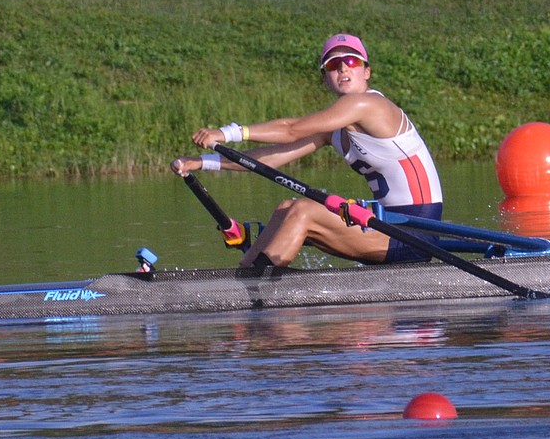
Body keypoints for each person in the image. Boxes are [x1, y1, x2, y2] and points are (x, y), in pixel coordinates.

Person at [171, 33, 443, 268]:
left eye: (351, 62)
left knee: (304, 210)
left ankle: (258, 285)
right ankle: (247, 273)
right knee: (285, 208)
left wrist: (229, 133)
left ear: (367, 71)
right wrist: (200, 162)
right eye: (333, 65)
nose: (343, 70)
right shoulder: (334, 129)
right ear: (325, 79)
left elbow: (292, 128)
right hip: (386, 228)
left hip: (415, 234)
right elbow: (269, 160)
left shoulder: (368, 105)